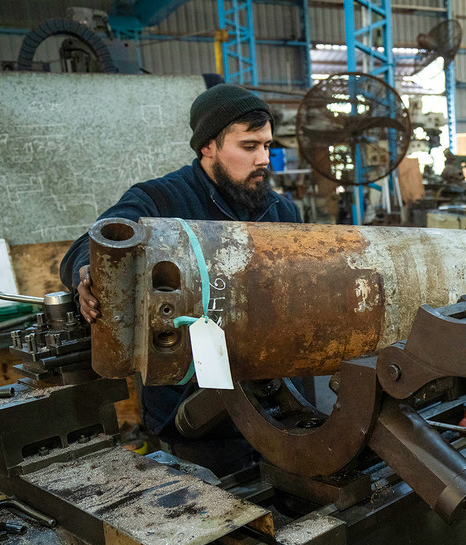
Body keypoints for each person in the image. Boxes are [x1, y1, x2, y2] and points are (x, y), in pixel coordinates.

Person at [60, 83, 301, 473]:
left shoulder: (280, 211)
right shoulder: (160, 201)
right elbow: (92, 242)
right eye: (249, 146)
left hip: (274, 406)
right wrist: (86, 270)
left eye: (267, 146)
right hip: (193, 414)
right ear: (208, 146)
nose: (264, 160)